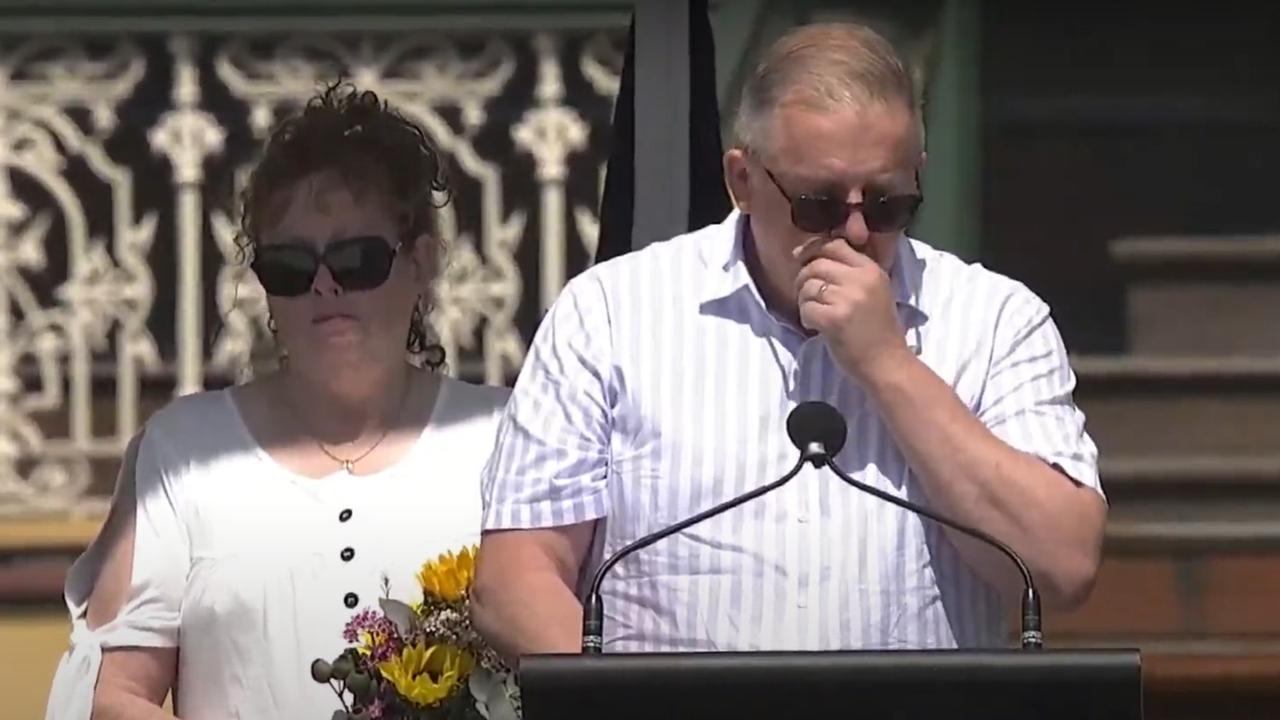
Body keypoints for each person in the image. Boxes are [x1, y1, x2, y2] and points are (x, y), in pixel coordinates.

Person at [472, 22, 1107, 657]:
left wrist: (888, 366)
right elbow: (516, 578)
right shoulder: (609, 313)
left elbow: (1061, 567)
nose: (856, 235)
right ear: (743, 181)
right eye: (820, 204)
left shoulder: (996, 320)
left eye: (887, 204)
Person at [45, 83, 509, 719]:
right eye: (290, 265)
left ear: (422, 263)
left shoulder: (504, 439)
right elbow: (114, 693)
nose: (324, 286)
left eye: (357, 258)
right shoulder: (186, 453)